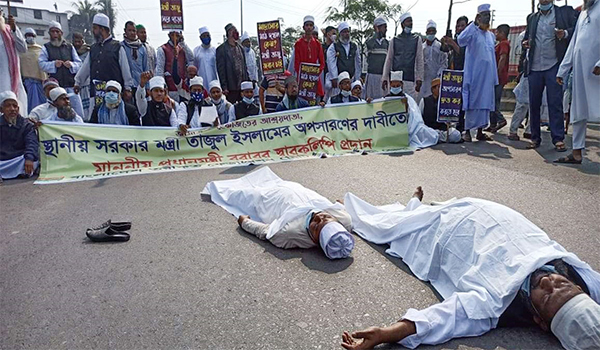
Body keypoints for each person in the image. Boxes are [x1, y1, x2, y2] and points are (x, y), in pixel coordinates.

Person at [340, 190, 600, 350]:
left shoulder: (495, 305)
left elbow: (447, 317)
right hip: (480, 207)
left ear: (540, 322)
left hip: (448, 230)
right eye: (562, 284)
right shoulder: (585, 278)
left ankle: (362, 211)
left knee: (391, 227)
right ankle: (414, 206)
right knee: (417, 215)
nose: (548, 282)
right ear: (578, 288)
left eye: (547, 296)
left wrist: (389, 333)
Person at [202, 167, 355, 259]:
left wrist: (244, 223)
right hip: (299, 191)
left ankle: (220, 190)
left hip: (273, 200)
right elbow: (340, 209)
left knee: (241, 194)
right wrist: (337, 205)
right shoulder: (344, 221)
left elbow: (265, 232)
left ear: (315, 240)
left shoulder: (290, 235)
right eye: (326, 217)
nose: (319, 217)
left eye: (316, 226)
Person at [523, 0, 578, 151]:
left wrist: (565, 33)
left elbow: (578, 29)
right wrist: (525, 43)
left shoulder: (564, 12)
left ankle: (558, 139)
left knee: (555, 102)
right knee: (534, 104)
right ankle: (535, 137)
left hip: (553, 65)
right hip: (534, 66)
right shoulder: (532, 18)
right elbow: (526, 37)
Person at [555, 0, 600, 164]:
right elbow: (574, 44)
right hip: (581, 71)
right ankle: (576, 153)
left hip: (597, 71)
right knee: (578, 111)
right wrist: (563, 69)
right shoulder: (583, 13)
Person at [74, 13, 134, 111]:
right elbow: (85, 67)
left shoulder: (117, 47)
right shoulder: (93, 49)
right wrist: (78, 82)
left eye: (95, 28)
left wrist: (127, 88)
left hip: (113, 94)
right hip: (96, 93)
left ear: (102, 29)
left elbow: (125, 69)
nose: (93, 31)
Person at [387, 72, 461, 148]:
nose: (396, 88)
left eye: (398, 86)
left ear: (402, 85)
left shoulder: (408, 99)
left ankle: (439, 136)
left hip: (431, 130)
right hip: (398, 128)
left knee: (455, 135)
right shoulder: (425, 101)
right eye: (394, 86)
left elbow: (416, 119)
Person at [457, 4, 497, 142]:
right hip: (474, 76)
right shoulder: (472, 32)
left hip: (487, 77)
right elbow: (460, 40)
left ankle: (480, 132)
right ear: (478, 17)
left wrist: (494, 78)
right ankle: (467, 132)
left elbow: (492, 58)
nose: (487, 18)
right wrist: (473, 24)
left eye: (489, 15)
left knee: (485, 104)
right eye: (484, 15)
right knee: (472, 103)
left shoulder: (491, 36)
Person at [382, 13, 424, 103]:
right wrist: (385, 78)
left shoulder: (417, 39)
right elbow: (389, 59)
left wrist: (419, 79)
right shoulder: (394, 40)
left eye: (411, 21)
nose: (411, 23)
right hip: (396, 81)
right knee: (395, 105)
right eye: (408, 21)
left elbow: (420, 60)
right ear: (402, 24)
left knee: (410, 104)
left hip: (410, 79)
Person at [0, 91, 39, 180]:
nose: (12, 109)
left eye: (15, 106)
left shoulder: (27, 125)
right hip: (2, 160)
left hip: (19, 159)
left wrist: (29, 158)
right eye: (8, 106)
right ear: (1, 110)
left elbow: (31, 142)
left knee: (32, 160)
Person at [441, 16, 469, 132]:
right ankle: (451, 123)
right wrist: (445, 42)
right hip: (453, 74)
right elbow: (444, 50)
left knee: (462, 101)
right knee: (452, 100)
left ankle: (461, 126)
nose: (460, 28)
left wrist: (452, 43)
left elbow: (462, 54)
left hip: (464, 74)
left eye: (462, 26)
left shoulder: (468, 40)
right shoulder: (456, 40)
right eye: (458, 26)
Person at [38, 21, 82, 91]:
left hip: (71, 85)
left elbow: (79, 64)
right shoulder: (46, 47)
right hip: (55, 86)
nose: (55, 34)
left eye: (57, 31)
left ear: (61, 33)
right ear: (49, 33)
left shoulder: (69, 47)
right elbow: (41, 64)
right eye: (53, 31)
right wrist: (53, 64)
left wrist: (71, 65)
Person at [0, 9, 28, 114]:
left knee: (17, 105)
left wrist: (14, 29)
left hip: (15, 80)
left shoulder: (9, 30)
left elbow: (23, 48)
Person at [294, 16, 327, 102]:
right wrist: (303, 75)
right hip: (302, 78)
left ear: (313, 27)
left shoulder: (317, 44)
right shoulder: (298, 43)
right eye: (307, 25)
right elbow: (296, 64)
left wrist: (314, 73)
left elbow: (322, 63)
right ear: (303, 27)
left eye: (311, 25)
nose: (309, 27)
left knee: (316, 101)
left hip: (314, 78)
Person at [156, 31, 194, 102]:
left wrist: (183, 43)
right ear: (169, 35)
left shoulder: (182, 48)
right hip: (170, 88)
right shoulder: (162, 49)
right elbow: (159, 70)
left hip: (183, 89)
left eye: (178, 35)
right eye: (174, 35)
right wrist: (161, 87)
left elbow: (191, 58)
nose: (176, 37)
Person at [216, 23, 249, 104]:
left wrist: (248, 81)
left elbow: (244, 66)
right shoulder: (221, 49)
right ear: (229, 33)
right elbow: (221, 70)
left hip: (242, 86)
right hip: (231, 87)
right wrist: (224, 87)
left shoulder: (240, 48)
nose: (236, 33)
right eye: (234, 31)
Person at [327, 22, 361, 97]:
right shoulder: (334, 46)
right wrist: (334, 77)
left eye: (348, 31)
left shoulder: (354, 46)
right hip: (339, 81)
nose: (346, 34)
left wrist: (357, 78)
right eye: (344, 32)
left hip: (351, 80)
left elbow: (357, 63)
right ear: (340, 33)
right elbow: (331, 62)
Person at [488, 24, 510, 133]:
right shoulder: (500, 44)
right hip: (497, 77)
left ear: (502, 33)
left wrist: (496, 73)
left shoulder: (504, 44)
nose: (495, 34)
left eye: (497, 32)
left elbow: (502, 58)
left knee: (493, 101)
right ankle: (492, 124)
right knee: (492, 100)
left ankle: (501, 120)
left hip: (498, 78)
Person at [20, 28, 47, 113]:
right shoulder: (21, 49)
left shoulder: (40, 49)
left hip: (40, 81)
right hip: (27, 82)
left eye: (32, 35)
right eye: (28, 35)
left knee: (42, 102)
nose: (30, 37)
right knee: (29, 102)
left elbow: (43, 66)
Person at [421, 20, 448, 100]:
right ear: (426, 32)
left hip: (436, 79)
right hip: (424, 80)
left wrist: (439, 75)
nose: (431, 33)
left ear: (436, 32)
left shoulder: (439, 47)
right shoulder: (422, 47)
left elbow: (444, 63)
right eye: (429, 31)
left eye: (433, 31)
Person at [364, 16, 389, 100]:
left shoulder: (387, 43)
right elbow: (369, 46)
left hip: (383, 77)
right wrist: (376, 34)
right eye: (384, 27)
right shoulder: (369, 42)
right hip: (372, 77)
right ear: (377, 28)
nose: (386, 29)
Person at [121, 21, 148, 92]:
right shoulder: (121, 47)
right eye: (129, 30)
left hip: (140, 85)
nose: (132, 33)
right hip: (126, 87)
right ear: (125, 31)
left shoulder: (142, 48)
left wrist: (147, 87)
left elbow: (146, 68)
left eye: (134, 31)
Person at [72, 32, 92, 119]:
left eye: (79, 41)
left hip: (86, 84)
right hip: (75, 84)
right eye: (75, 42)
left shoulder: (88, 51)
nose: (77, 44)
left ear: (82, 41)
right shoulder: (71, 51)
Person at [193, 26, 219, 91]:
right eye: (204, 36)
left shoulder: (215, 50)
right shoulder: (196, 50)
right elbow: (194, 67)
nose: (206, 37)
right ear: (200, 38)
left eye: (208, 35)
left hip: (214, 80)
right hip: (201, 80)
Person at [241, 32, 259, 98]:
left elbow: (255, 67)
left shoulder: (252, 52)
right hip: (245, 81)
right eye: (246, 42)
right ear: (242, 43)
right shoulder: (241, 53)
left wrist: (255, 80)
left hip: (254, 81)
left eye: (248, 42)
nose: (248, 44)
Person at [322, 25, 337, 99]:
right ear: (328, 34)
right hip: (323, 75)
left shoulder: (337, 47)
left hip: (334, 76)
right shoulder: (322, 47)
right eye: (333, 33)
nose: (335, 36)